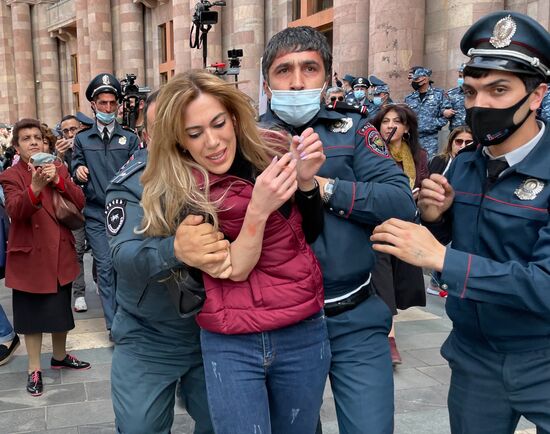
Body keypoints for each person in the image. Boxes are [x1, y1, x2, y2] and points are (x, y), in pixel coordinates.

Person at [371, 11, 550, 434]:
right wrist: (438, 221)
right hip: (475, 359)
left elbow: (543, 283)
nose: (480, 105)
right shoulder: (463, 165)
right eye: (471, 92)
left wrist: (440, 257)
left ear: (537, 95)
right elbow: (471, 242)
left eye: (499, 89)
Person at [138, 70, 329, 434]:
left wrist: (305, 182)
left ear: (235, 116)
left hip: (300, 325)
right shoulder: (182, 189)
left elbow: (310, 232)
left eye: (218, 123)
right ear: (180, 142)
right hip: (232, 339)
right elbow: (234, 268)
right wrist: (258, 208)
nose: (212, 142)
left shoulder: (271, 150)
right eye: (194, 134)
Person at [261, 26, 416, 434]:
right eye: (284, 71)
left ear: (327, 78)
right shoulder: (248, 140)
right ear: (267, 83)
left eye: (309, 68)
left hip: (355, 315)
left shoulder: (355, 131)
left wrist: (323, 186)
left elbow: (399, 200)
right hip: (282, 323)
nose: (296, 81)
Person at [106, 89, 218, 434]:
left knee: (224, 422)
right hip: (148, 334)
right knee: (139, 426)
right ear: (148, 135)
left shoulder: (223, 169)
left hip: (215, 330)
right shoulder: (131, 183)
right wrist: (174, 250)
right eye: (163, 128)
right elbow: (121, 254)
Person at [0, 118, 90, 396]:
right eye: (26, 138)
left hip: (60, 251)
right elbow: (15, 210)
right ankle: (34, 369)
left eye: (38, 137)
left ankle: (60, 357)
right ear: (17, 146)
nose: (34, 142)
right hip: (30, 257)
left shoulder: (57, 166)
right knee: (32, 319)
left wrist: (59, 180)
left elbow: (79, 201)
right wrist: (36, 186)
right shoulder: (10, 175)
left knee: (60, 311)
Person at [72, 73, 140, 331]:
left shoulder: (130, 138)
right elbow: (75, 165)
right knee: (106, 266)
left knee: (125, 267)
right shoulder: (82, 139)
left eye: (113, 103)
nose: (108, 108)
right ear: (93, 104)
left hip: (126, 214)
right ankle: (114, 326)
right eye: (103, 103)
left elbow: (138, 172)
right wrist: (78, 170)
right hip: (96, 214)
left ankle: (129, 317)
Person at [370, 104, 428, 365]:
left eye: (396, 121)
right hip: (377, 223)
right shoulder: (371, 152)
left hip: (406, 221)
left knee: (397, 280)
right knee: (382, 276)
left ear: (406, 129)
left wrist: (420, 195)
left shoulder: (417, 156)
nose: (389, 125)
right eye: (385, 121)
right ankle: (389, 335)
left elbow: (423, 182)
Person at [55, 114, 89, 313]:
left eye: (73, 129)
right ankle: (79, 294)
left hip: (94, 207)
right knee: (76, 252)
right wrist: (59, 157)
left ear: (81, 129)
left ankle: (98, 278)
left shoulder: (89, 146)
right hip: (72, 211)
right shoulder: (60, 153)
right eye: (65, 130)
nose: (69, 134)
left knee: (102, 251)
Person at [404, 66, 453, 158]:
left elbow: (446, 115)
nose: (412, 82)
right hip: (412, 139)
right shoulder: (409, 98)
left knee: (428, 167)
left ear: (424, 79)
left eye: (415, 79)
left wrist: (428, 125)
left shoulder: (439, 95)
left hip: (430, 140)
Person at [446, 65, 467, 131]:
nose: (461, 79)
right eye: (460, 76)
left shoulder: (479, 93)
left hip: (474, 133)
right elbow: (442, 112)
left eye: (464, 76)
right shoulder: (451, 93)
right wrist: (445, 112)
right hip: (456, 133)